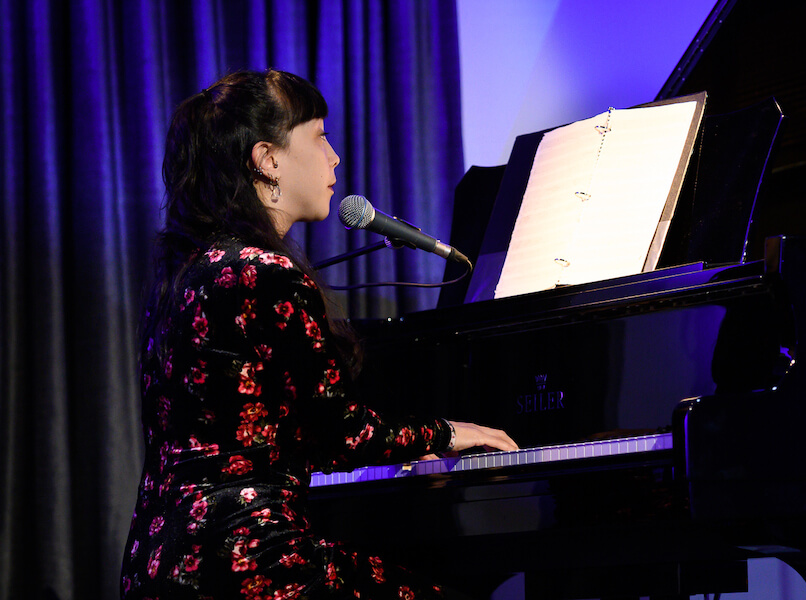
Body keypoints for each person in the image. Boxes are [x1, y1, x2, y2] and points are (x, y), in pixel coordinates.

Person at [120, 69, 517, 599]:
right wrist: (445, 433)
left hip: (159, 559)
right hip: (251, 562)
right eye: (319, 136)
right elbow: (341, 436)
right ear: (268, 159)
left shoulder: (190, 269)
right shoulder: (267, 273)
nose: (333, 158)